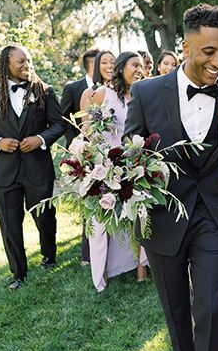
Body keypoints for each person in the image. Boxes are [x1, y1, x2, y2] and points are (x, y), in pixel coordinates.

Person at [124, 4, 218, 351]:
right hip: (164, 217)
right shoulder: (145, 92)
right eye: (208, 52)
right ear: (185, 47)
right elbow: (132, 151)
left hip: (213, 215)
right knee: (176, 313)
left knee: (211, 309)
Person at [0, 44, 65, 289]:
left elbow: (59, 124)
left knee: (44, 217)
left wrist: (41, 139)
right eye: (21, 62)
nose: (27, 65)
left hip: (37, 168)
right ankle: (18, 273)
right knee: (10, 224)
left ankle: (49, 255)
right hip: (4, 172)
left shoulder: (44, 91)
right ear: (7, 65)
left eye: (29, 60)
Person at [87, 52, 150, 291]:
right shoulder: (104, 94)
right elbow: (89, 130)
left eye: (142, 66)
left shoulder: (142, 95)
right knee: (101, 220)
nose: (140, 70)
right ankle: (100, 270)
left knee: (139, 214)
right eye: (134, 65)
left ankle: (141, 264)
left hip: (133, 162)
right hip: (105, 165)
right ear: (121, 68)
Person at [59, 48, 99, 265]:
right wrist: (78, 143)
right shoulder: (74, 88)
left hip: (105, 151)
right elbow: (64, 119)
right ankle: (87, 253)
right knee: (88, 201)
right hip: (82, 153)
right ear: (90, 66)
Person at [60, 48, 99, 146]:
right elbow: (63, 118)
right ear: (92, 65)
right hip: (81, 146)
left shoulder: (109, 88)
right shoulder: (72, 88)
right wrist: (74, 140)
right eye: (101, 62)